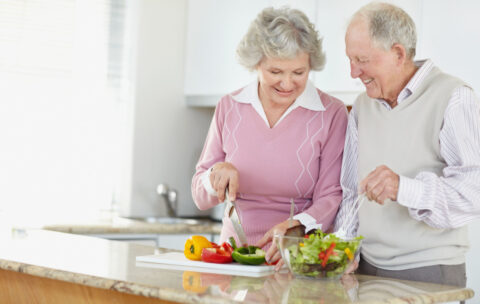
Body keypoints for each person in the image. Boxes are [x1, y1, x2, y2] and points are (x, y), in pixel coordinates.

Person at [334, 2, 480, 287]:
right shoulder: (362, 107)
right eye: (350, 60)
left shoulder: (453, 97)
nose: (353, 72)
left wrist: (404, 188)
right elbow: (351, 192)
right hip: (364, 268)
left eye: (362, 59)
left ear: (398, 54)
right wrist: (344, 249)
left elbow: (474, 191)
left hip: (429, 270)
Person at [191, 7, 348, 265]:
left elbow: (331, 196)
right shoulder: (230, 107)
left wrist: (293, 228)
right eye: (275, 72)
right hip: (232, 257)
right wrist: (215, 176)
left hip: (296, 257)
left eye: (298, 72)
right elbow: (200, 194)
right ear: (256, 63)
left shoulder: (331, 114)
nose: (287, 84)